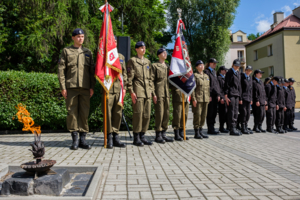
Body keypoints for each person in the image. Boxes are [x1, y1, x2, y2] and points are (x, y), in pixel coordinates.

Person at [58, 28, 95, 150]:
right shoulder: (66, 51)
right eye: (78, 36)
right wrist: (63, 87)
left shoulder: (88, 52)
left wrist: (92, 87)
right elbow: (61, 70)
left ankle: (83, 140)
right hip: (71, 87)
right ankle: (74, 140)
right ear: (73, 38)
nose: (81, 38)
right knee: (72, 113)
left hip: (85, 87)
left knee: (84, 113)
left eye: (82, 36)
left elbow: (91, 71)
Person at [102, 36, 127, 149]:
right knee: (108, 113)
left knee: (117, 113)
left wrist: (124, 87)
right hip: (108, 88)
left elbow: (124, 73)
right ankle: (109, 137)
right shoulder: (104, 56)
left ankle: (116, 136)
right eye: (113, 41)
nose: (114, 42)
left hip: (119, 89)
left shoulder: (121, 56)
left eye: (116, 41)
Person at [127, 41, 153, 146]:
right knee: (138, 114)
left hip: (147, 92)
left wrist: (151, 90)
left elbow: (150, 78)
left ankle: (143, 135)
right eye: (141, 47)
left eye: (144, 47)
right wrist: (132, 92)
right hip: (138, 91)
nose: (144, 49)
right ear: (136, 49)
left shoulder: (147, 62)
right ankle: (136, 137)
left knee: (147, 115)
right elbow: (129, 79)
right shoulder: (132, 61)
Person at [151, 48, 174, 143]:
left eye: (166, 52)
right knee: (159, 113)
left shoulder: (167, 67)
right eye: (163, 53)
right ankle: (158, 134)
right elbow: (151, 80)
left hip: (166, 93)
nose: (165, 54)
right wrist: (153, 94)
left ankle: (164, 133)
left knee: (166, 113)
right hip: (159, 92)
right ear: (159, 55)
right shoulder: (154, 66)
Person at [191, 60, 210, 139]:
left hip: (205, 99)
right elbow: (192, 88)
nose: (202, 66)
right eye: (200, 65)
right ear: (196, 67)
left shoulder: (206, 76)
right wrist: (194, 99)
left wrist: (208, 98)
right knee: (197, 115)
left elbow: (208, 88)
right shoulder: (194, 75)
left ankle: (201, 131)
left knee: (203, 115)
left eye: (202, 65)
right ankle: (196, 132)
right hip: (198, 99)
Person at [224, 59, 242, 136]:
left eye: (238, 66)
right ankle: (231, 129)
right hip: (231, 94)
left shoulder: (238, 73)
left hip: (236, 94)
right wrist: (226, 96)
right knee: (231, 111)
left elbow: (239, 86)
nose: (237, 67)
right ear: (233, 65)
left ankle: (234, 127)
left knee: (236, 111)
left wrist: (240, 97)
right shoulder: (229, 73)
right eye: (236, 65)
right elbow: (226, 85)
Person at [204, 58, 221, 134]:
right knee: (210, 112)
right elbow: (207, 85)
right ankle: (210, 128)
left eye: (215, 63)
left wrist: (218, 94)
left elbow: (216, 84)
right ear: (210, 63)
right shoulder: (206, 72)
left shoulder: (214, 72)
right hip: (210, 95)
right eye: (214, 63)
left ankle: (213, 127)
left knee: (214, 112)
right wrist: (209, 95)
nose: (215, 64)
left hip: (215, 95)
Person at [239, 65, 253, 134]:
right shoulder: (242, 77)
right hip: (243, 98)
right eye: (247, 70)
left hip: (248, 98)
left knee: (248, 113)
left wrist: (251, 99)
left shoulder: (250, 78)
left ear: (251, 71)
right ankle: (243, 127)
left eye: (249, 71)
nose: (248, 71)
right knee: (243, 113)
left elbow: (251, 89)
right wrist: (240, 98)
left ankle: (246, 126)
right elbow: (240, 88)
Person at [217, 66, 229, 133]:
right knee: (222, 113)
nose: (226, 71)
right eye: (224, 70)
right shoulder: (219, 78)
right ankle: (221, 127)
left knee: (226, 113)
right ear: (221, 71)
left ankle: (226, 126)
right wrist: (221, 97)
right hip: (222, 98)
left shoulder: (224, 78)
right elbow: (219, 89)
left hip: (226, 98)